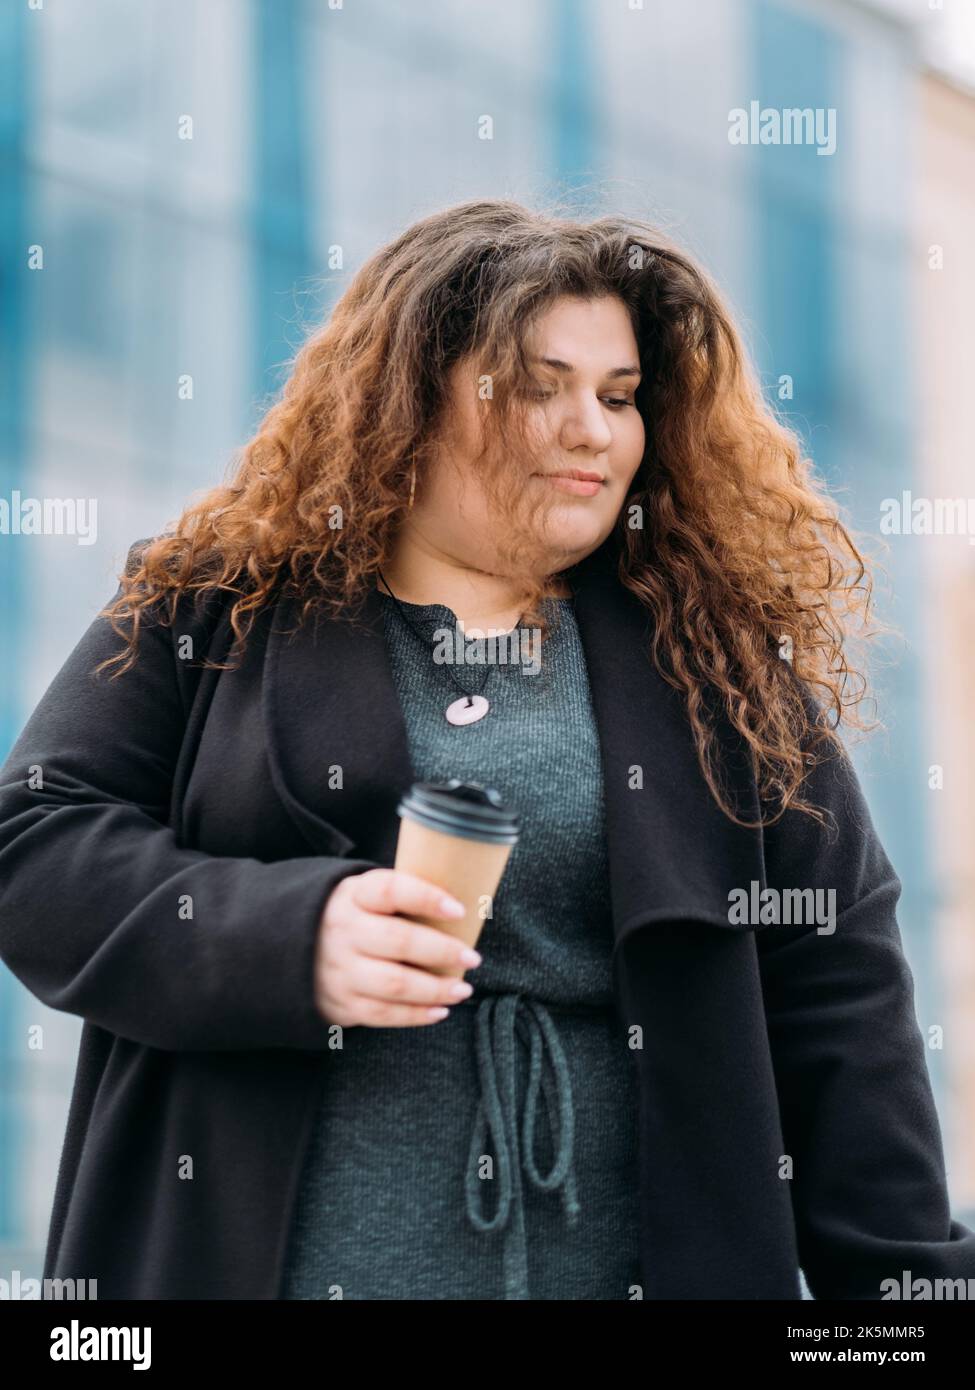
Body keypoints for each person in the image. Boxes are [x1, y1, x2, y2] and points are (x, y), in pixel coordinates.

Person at [1, 199, 973, 1301]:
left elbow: (840, 994)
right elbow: (32, 843)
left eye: (618, 396)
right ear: (406, 403)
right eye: (536, 386)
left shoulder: (720, 669)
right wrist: (288, 936)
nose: (592, 430)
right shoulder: (219, 603)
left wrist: (906, 1301)